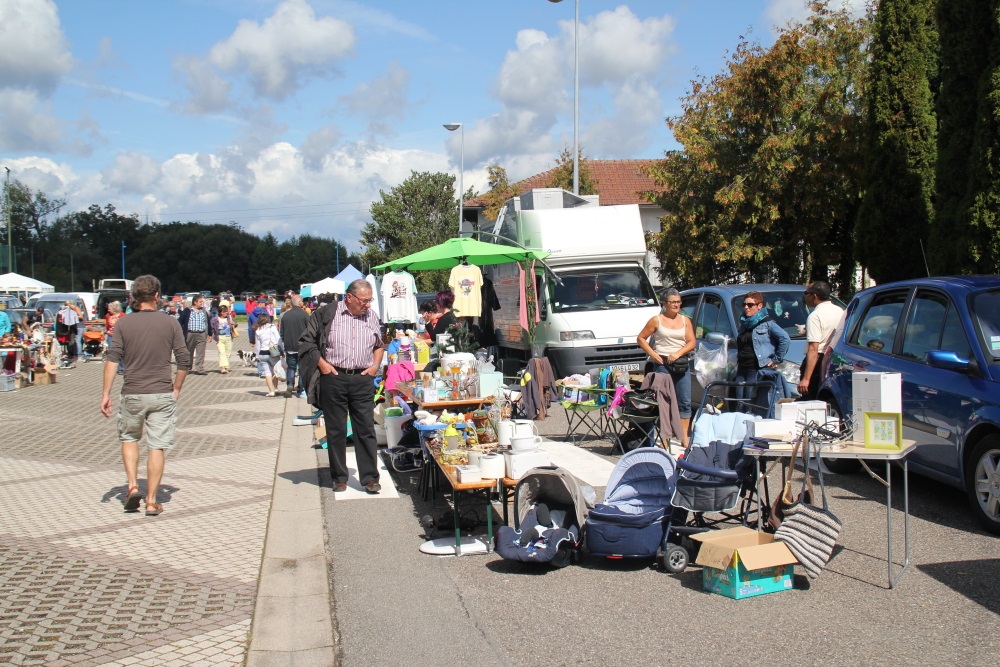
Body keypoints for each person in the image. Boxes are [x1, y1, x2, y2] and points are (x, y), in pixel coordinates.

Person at [100, 274, 191, 517]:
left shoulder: (123, 324)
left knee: (129, 438)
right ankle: (151, 500)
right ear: (157, 296)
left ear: (134, 298)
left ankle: (132, 487)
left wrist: (105, 393)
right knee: (157, 446)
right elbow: (184, 360)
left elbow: (112, 359)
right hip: (161, 393)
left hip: (132, 392)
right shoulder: (170, 323)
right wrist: (177, 387)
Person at [298, 279, 385, 494]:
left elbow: (379, 345)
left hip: (362, 379)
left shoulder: (371, 316)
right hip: (334, 376)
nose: (368, 304)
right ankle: (339, 477)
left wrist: (375, 366)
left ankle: (370, 478)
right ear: (349, 297)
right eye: (364, 300)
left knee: (365, 428)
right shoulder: (327, 314)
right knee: (335, 429)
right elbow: (307, 342)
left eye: (370, 300)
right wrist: (323, 365)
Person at [637, 287, 696, 445]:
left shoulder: (685, 320)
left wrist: (678, 353)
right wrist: (653, 354)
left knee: (684, 400)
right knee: (665, 403)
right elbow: (641, 338)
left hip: (681, 363)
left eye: (678, 302)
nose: (676, 305)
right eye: (673, 302)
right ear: (664, 303)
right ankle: (666, 437)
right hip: (663, 364)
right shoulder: (656, 320)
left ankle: (684, 436)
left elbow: (692, 342)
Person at [734, 291, 790, 414]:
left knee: (752, 404)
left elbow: (785, 339)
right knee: (740, 403)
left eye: (750, 305)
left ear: (760, 306)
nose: (746, 307)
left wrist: (776, 359)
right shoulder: (744, 323)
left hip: (757, 369)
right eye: (744, 304)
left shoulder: (767, 323)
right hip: (742, 368)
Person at [798, 281, 845, 399]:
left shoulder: (815, 316)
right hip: (833, 359)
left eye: (806, 293)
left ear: (814, 296)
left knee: (810, 402)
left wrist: (806, 379)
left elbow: (813, 348)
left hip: (817, 362)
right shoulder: (839, 311)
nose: (805, 297)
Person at [279, 294, 309, 398]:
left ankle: (290, 385)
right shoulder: (305, 315)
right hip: (302, 346)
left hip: (290, 346)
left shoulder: (285, 315)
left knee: (291, 368)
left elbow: (281, 333)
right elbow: (309, 331)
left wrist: (284, 342)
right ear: (300, 303)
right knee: (302, 368)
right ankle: (300, 388)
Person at [178, 295, 213, 375]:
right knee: (189, 352)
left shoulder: (203, 311)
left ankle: (200, 368)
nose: (202, 303)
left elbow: (208, 323)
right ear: (195, 302)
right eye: (200, 302)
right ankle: (187, 368)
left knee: (201, 352)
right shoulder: (187, 311)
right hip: (190, 334)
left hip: (201, 334)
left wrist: (210, 334)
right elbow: (180, 322)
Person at [253, 313, 283, 396]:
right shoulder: (272, 327)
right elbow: (278, 340)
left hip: (263, 353)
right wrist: (282, 351)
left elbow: (257, 345)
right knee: (275, 370)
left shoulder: (258, 330)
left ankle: (271, 391)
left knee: (267, 372)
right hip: (273, 352)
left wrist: (257, 356)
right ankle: (276, 388)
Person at [212, 303, 237, 374]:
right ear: (220, 312)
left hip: (228, 337)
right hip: (220, 338)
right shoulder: (215, 319)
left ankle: (226, 367)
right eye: (224, 311)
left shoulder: (229, 318)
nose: (226, 313)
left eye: (227, 311)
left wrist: (234, 323)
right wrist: (212, 336)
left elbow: (236, 324)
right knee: (222, 352)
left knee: (228, 353)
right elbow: (212, 328)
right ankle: (222, 368)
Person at [57, 300, 82, 366]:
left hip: (78, 326)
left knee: (76, 341)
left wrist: (73, 316)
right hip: (70, 327)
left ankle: (78, 355)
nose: (67, 307)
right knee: (70, 341)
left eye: (67, 305)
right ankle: (71, 354)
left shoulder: (75, 308)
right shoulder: (66, 311)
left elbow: (81, 316)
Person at [105, 301, 124, 374]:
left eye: (109, 309)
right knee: (112, 352)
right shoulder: (108, 315)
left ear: (115, 309)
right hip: (110, 335)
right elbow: (107, 325)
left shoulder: (122, 315)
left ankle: (121, 368)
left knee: (121, 352)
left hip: (120, 335)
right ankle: (113, 368)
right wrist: (106, 332)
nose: (108, 310)